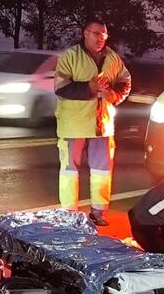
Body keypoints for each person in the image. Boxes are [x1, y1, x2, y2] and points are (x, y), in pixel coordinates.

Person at [54, 19, 131, 226]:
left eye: (104, 35)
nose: (100, 39)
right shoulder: (70, 56)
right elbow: (61, 88)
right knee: (70, 170)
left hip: (102, 125)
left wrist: (112, 93)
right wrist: (91, 86)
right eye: (96, 34)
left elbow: (125, 82)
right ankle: (69, 213)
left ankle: (99, 211)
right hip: (74, 124)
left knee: (102, 170)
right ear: (85, 33)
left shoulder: (113, 58)